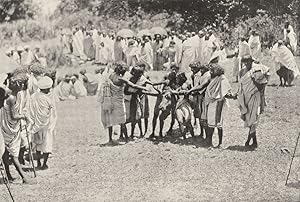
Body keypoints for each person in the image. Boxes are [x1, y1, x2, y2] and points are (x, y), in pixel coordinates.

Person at [98, 63, 147, 143]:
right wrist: (144, 88)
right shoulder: (121, 79)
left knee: (111, 120)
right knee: (122, 121)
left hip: (111, 101)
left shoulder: (111, 75)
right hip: (118, 102)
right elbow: (133, 86)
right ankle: (127, 139)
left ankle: (110, 139)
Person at [1, 75, 31, 183]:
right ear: (18, 85)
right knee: (14, 154)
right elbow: (14, 116)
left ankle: (8, 175)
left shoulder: (11, 94)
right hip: (10, 128)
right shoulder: (12, 98)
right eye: (22, 84)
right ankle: (24, 178)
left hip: (6, 126)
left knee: (6, 153)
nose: (23, 86)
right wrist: (24, 116)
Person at [237, 57, 270, 148]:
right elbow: (241, 85)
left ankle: (249, 141)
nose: (246, 64)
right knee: (248, 118)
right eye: (245, 62)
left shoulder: (256, 70)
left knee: (253, 118)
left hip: (255, 96)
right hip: (245, 98)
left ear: (251, 61)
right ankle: (254, 141)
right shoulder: (242, 72)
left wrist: (255, 82)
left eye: (248, 62)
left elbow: (263, 84)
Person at [28, 76, 57, 170]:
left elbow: (30, 110)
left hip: (35, 124)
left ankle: (38, 164)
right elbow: (52, 113)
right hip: (46, 125)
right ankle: (44, 164)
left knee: (37, 145)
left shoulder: (33, 97)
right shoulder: (48, 99)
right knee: (46, 145)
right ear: (48, 88)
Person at [203, 64, 234, 148]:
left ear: (217, 71)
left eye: (212, 70)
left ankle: (220, 144)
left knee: (219, 124)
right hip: (211, 103)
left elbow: (225, 92)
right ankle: (210, 142)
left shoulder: (222, 79)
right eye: (210, 70)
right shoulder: (211, 79)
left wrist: (232, 96)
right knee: (210, 124)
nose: (211, 72)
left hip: (218, 103)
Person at [187, 62, 211, 138]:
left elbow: (201, 87)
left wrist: (192, 91)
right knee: (198, 114)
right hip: (196, 95)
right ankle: (201, 133)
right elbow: (196, 85)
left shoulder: (205, 75)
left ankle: (205, 134)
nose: (192, 70)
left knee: (202, 116)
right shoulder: (198, 75)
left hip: (201, 97)